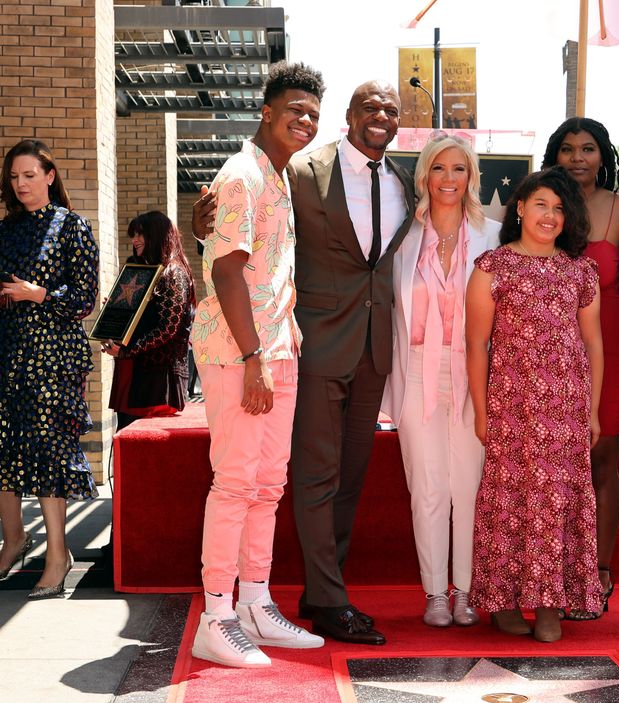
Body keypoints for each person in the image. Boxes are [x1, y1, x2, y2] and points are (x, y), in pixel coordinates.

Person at [193, 79, 416, 645]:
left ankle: (306, 593)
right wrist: (203, 228)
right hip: (304, 344)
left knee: (342, 476)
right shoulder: (297, 167)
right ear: (348, 114)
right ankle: (316, 599)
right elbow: (229, 237)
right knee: (304, 474)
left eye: (391, 110)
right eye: (370, 106)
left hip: (370, 346)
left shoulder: (405, 180)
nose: (381, 116)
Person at [189, 62, 326, 669]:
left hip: (278, 347)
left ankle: (255, 603)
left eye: (313, 114)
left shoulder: (277, 174)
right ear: (266, 110)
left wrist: (270, 354)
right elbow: (225, 270)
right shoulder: (243, 173)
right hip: (238, 350)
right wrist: (251, 359)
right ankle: (216, 617)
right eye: (295, 108)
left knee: (268, 485)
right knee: (237, 482)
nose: (305, 121)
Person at [465, 167, 605, 644]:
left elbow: (593, 344)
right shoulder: (491, 267)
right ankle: (504, 603)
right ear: (520, 208)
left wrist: (592, 411)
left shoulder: (580, 271)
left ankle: (550, 604)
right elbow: (476, 344)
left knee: (558, 503)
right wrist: (483, 412)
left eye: (560, 209)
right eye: (542, 204)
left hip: (566, 409)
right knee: (510, 503)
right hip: (513, 407)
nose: (550, 216)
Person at [382, 134, 500, 628]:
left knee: (468, 485)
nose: (448, 179)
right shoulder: (400, 237)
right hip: (414, 372)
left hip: (475, 374)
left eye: (459, 169)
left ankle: (467, 592)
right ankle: (435, 592)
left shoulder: (493, 236)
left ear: (471, 176)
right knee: (426, 487)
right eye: (439, 169)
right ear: (424, 176)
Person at [541, 117, 619, 619]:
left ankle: (597, 571)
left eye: (588, 148)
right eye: (568, 148)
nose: (578, 157)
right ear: (554, 155)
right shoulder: (539, 204)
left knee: (602, 460)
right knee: (551, 467)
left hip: (613, 344)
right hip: (544, 351)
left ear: (604, 157)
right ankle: (549, 571)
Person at [0, 139, 99, 598]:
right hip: (9, 353)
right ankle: (14, 538)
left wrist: (38, 294)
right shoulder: (5, 230)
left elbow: (84, 300)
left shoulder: (71, 228)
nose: (21, 184)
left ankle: (58, 554)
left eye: (30, 175)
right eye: (15, 177)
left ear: (49, 176)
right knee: (4, 448)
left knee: (47, 452)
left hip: (53, 358)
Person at [101, 211, 195, 431]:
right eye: (133, 234)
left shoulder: (173, 273)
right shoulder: (142, 270)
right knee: (126, 441)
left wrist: (128, 350)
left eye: (140, 234)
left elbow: (168, 329)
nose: (134, 240)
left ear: (157, 235)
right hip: (133, 375)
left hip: (156, 383)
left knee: (144, 450)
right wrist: (116, 310)